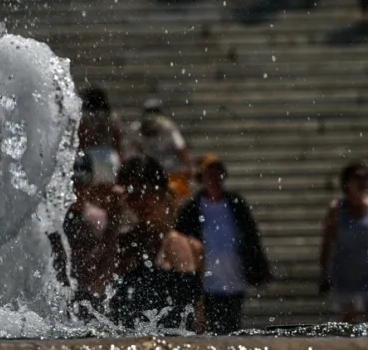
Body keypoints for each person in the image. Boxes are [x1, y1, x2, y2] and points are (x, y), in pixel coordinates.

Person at [175, 154, 271, 334]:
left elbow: (251, 237)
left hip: (233, 281)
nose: (214, 179)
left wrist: (260, 269)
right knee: (204, 333)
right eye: (209, 174)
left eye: (217, 174)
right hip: (204, 285)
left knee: (231, 331)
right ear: (201, 178)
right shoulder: (192, 209)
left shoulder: (236, 204)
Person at [111, 155, 204, 332]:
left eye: (146, 191)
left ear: (160, 191)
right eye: (132, 192)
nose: (139, 200)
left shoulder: (190, 246)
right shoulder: (121, 244)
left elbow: (198, 316)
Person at [50, 154, 122, 319]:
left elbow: (110, 258)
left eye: (82, 180)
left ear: (91, 181)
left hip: (90, 294)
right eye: (71, 181)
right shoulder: (52, 220)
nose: (76, 187)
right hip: (60, 295)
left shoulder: (100, 219)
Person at [318, 161, 368, 323]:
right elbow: (327, 242)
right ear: (346, 182)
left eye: (365, 178)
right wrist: (323, 273)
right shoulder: (336, 209)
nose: (362, 182)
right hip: (345, 270)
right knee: (348, 319)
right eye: (357, 178)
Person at [128, 99, 192, 200]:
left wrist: (187, 166)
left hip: (166, 169)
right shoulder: (138, 127)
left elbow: (180, 147)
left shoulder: (168, 127)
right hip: (154, 170)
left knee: (173, 197)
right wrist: (187, 166)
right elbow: (180, 147)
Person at [78, 87, 124, 183]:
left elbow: (80, 139)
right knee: (109, 191)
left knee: (88, 192)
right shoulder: (111, 117)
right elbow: (117, 139)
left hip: (88, 156)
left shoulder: (83, 117)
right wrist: (121, 158)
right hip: (108, 156)